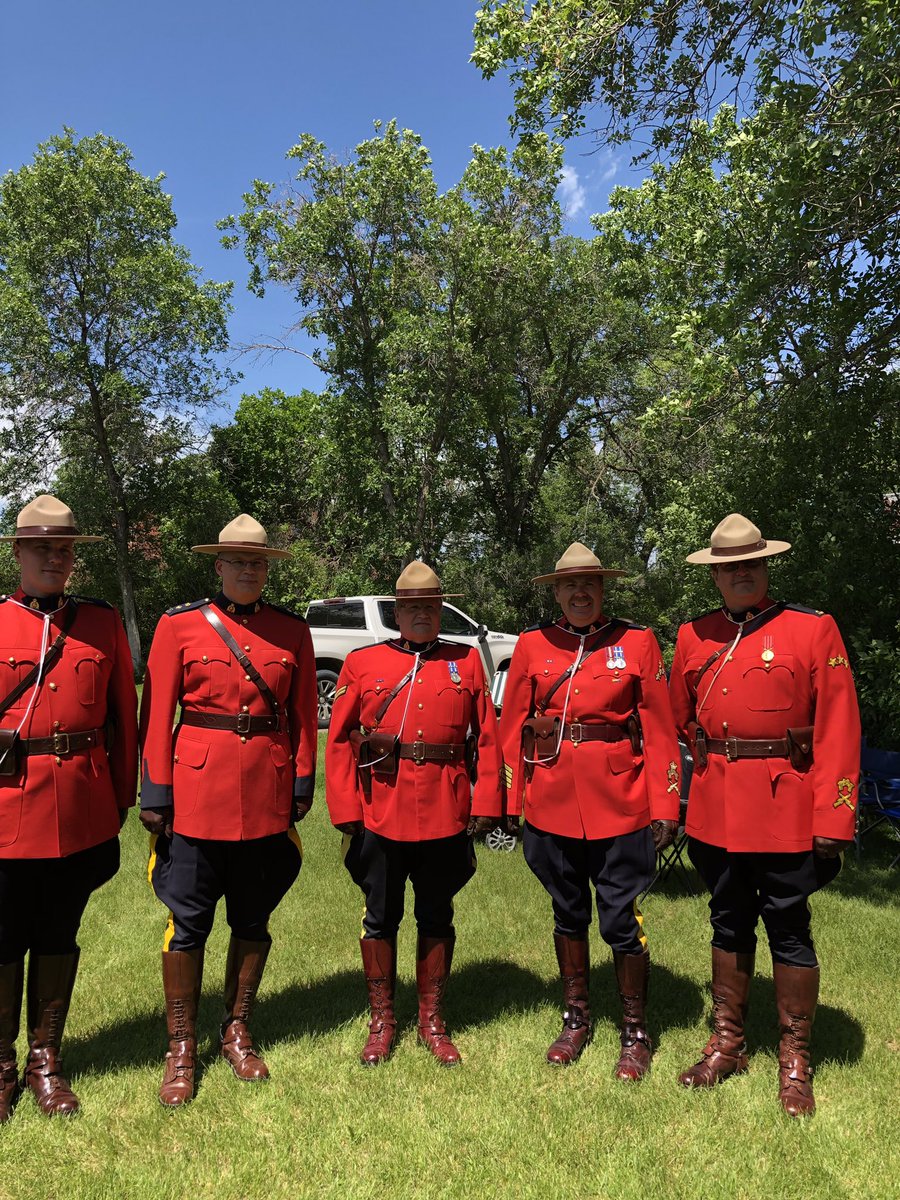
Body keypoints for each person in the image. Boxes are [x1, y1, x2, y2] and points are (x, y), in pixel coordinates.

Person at [669, 513, 860, 1117]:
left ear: (765, 565)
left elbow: (838, 726)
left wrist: (835, 815)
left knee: (789, 925)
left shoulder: (811, 629)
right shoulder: (692, 636)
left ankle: (795, 1059)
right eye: (730, 567)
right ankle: (727, 1042)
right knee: (726, 921)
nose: (741, 573)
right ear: (716, 575)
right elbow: (679, 720)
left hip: (786, 804)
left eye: (751, 563)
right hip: (717, 807)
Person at [139, 514, 317, 1107]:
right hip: (195, 797)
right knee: (188, 921)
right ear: (218, 566)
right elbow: (157, 712)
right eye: (238, 561)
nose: (249, 570)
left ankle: (237, 1029)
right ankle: (182, 1046)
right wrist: (156, 791)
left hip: (265, 796)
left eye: (258, 562)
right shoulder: (180, 626)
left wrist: (302, 780)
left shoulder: (291, 631)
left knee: (252, 917)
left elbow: (302, 712)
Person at [499, 542, 681, 1080]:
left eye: (590, 584)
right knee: (567, 911)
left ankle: (634, 1030)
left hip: (620, 801)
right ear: (555, 592)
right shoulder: (534, 645)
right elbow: (512, 726)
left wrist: (665, 802)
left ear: (603, 590)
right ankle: (576, 1017)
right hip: (552, 802)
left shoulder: (637, 642)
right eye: (569, 585)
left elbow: (661, 730)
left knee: (622, 920)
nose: (580, 593)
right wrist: (511, 800)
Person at [325, 561, 502, 1067]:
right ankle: (382, 1021)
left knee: (437, 912)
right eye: (411, 607)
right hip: (381, 806)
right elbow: (338, 741)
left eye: (430, 606)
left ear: (440, 609)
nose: (421, 614)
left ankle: (432, 1019)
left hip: (446, 806)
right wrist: (345, 809)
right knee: (380, 915)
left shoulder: (465, 661)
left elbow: (486, 738)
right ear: (397, 610)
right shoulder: (363, 662)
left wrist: (488, 802)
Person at [0, 495, 137, 1119]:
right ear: (18, 553)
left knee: (60, 933)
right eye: (41, 548)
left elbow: (123, 723)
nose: (54, 558)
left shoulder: (103, 624)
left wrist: (119, 802)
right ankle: (1, 1065)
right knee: (3, 937)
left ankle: (45, 1062)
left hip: (79, 810)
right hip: (7, 810)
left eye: (64, 549)